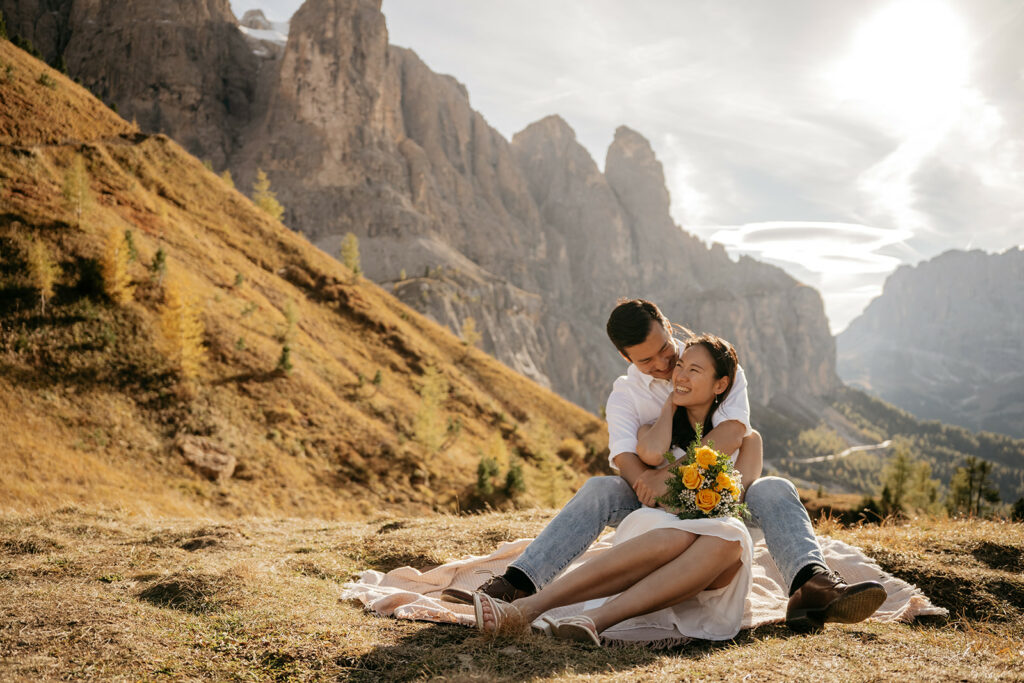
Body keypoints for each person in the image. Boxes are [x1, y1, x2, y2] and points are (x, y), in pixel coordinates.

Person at [445, 298, 886, 632]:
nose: (663, 365)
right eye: (646, 360)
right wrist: (647, 482)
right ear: (627, 358)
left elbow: (737, 432)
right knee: (601, 488)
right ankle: (520, 581)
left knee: (776, 488)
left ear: (668, 329)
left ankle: (812, 585)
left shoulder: (714, 361)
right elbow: (624, 456)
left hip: (721, 493)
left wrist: (676, 477)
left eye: (663, 350)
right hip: (649, 497)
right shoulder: (626, 394)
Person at [473, 334, 754, 643]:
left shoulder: (746, 439)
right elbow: (647, 457)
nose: (680, 375)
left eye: (694, 371)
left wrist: (687, 498)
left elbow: (735, 502)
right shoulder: (653, 427)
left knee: (729, 537)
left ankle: (595, 620)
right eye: (681, 366)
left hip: (709, 549)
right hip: (658, 528)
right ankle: (526, 608)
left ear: (720, 384)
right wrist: (669, 407)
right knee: (679, 535)